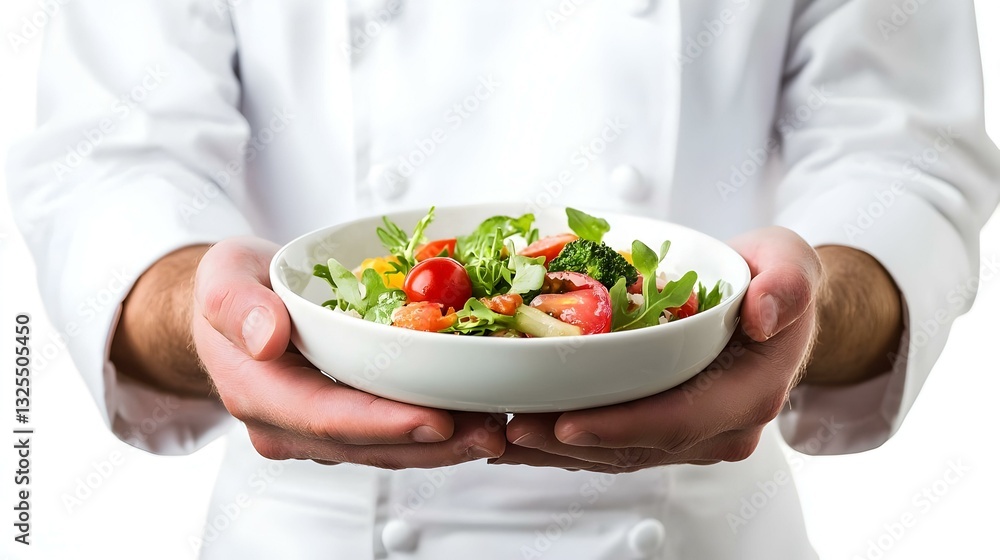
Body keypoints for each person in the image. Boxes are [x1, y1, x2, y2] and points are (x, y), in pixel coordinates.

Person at [8, 1, 999, 558]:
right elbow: (110, 163)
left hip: (702, 526)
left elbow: (904, 157)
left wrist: (806, 309)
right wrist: (205, 314)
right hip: (311, 531)